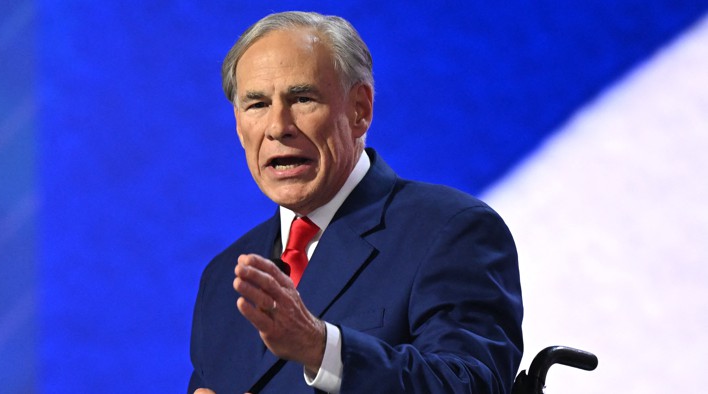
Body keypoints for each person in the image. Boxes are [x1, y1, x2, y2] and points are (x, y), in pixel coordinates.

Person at [189, 11, 522, 394]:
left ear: (360, 110)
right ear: (238, 124)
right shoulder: (222, 280)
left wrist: (322, 348)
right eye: (257, 105)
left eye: (302, 98)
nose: (278, 126)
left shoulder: (450, 230)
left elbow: (470, 385)